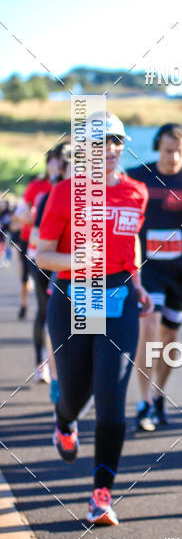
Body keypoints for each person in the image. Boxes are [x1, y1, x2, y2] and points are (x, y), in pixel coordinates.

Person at [37, 113, 152, 525]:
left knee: (111, 397)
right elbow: (43, 255)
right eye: (101, 142)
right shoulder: (65, 192)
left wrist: (137, 283)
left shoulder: (136, 192)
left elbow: (131, 241)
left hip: (119, 296)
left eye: (117, 140)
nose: (111, 149)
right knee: (76, 392)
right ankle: (64, 419)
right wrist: (77, 259)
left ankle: (101, 494)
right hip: (72, 295)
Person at [128, 124, 182, 431]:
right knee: (148, 329)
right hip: (148, 270)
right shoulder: (138, 176)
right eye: (168, 151)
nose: (173, 157)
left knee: (169, 339)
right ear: (157, 146)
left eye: (179, 152)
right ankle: (144, 402)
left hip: (181, 273)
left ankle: (159, 395)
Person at [28, 143, 71, 384]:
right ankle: (49, 370)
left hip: (91, 272)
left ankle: (82, 385)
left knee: (90, 326)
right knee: (49, 317)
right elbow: (35, 236)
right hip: (51, 266)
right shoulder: (50, 195)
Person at [13, 160, 54, 319]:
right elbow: (18, 214)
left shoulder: (68, 186)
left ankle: (46, 314)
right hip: (29, 242)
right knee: (26, 279)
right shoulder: (35, 187)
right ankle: (24, 305)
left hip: (56, 245)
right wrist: (26, 218)